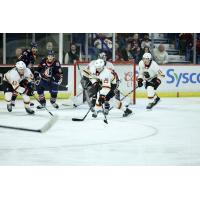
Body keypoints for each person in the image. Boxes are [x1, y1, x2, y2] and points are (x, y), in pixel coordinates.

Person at [11, 42, 38, 107]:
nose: (34, 49)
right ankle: (12, 100)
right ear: (31, 48)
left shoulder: (34, 55)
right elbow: (21, 62)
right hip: (19, 71)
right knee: (19, 86)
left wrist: (32, 72)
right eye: (33, 48)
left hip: (25, 72)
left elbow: (30, 66)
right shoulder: (27, 52)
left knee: (26, 87)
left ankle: (27, 101)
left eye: (35, 48)